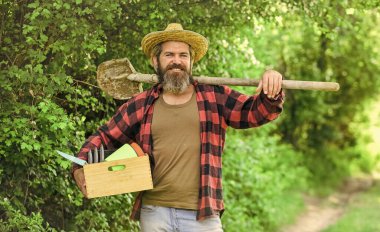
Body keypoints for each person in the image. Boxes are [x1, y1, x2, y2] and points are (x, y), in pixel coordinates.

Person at [72, 23, 284, 232]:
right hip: (154, 212)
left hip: (202, 215)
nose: (177, 61)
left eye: (183, 55)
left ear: (191, 62)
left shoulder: (214, 97)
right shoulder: (143, 104)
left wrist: (270, 90)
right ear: (156, 60)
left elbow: (255, 113)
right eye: (169, 55)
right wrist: (80, 166)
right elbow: (106, 136)